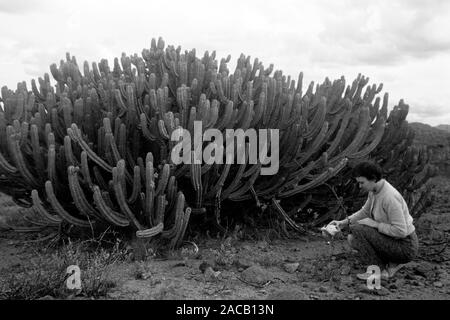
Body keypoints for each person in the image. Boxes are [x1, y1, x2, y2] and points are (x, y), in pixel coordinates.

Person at [330, 161, 419, 280]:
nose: (360, 186)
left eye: (362, 182)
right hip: (393, 240)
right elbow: (365, 212)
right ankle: (391, 263)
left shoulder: (389, 197)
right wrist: (343, 223)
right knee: (353, 239)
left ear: (373, 179)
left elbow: (401, 231)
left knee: (357, 229)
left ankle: (378, 270)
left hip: (405, 246)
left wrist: (375, 224)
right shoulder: (375, 191)